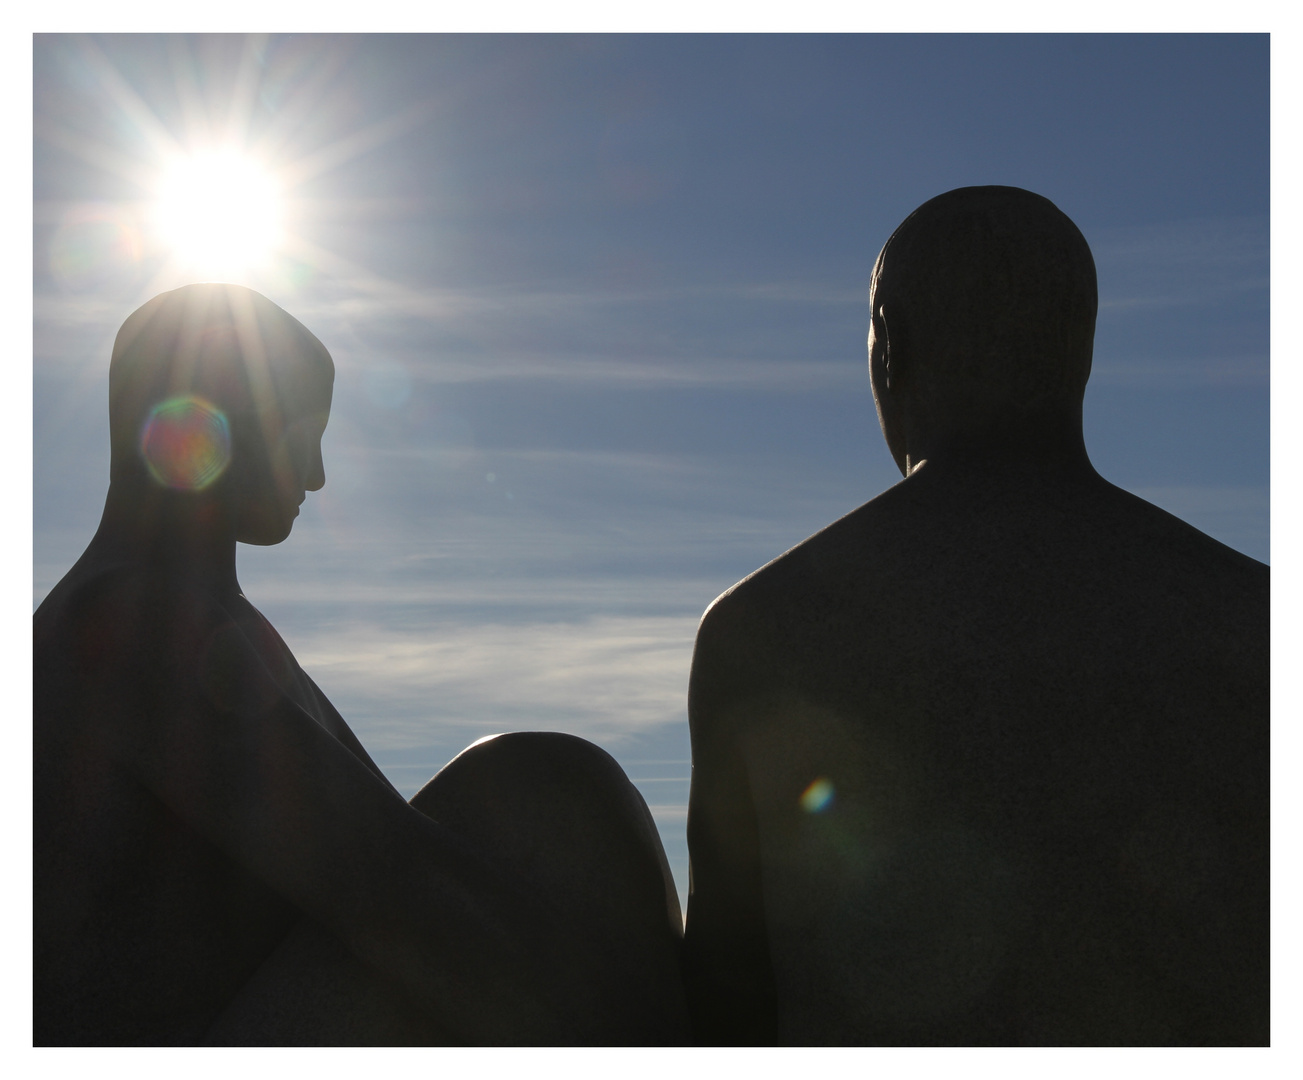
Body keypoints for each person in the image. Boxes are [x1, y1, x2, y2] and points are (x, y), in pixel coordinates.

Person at [680, 187, 1269, 1045]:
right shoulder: (1253, 618)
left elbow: (724, 1013)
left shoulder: (763, 632)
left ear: (890, 346)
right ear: (1081, 353)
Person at [33, 283, 688, 1045]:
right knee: (544, 789)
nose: (315, 476)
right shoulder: (129, 622)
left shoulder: (197, 623)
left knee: (553, 794)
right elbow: (388, 888)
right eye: (299, 435)